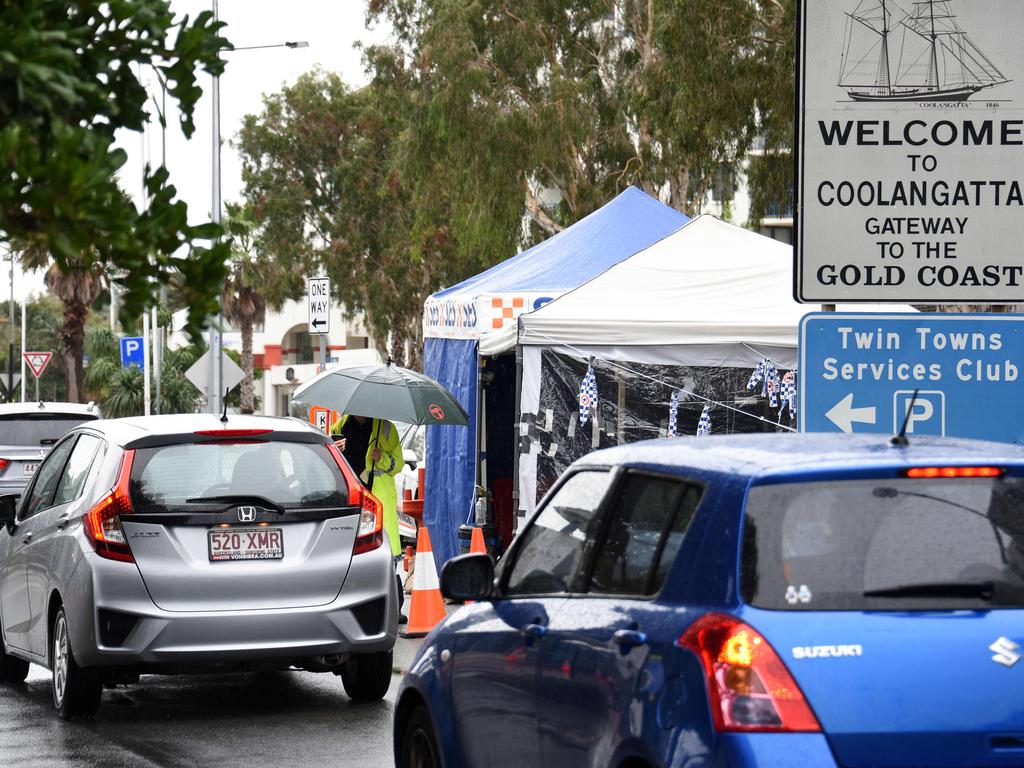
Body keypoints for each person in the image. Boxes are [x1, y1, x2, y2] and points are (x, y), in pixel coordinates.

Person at [331, 413, 408, 623]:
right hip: (351, 500)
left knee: (386, 556)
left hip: (378, 502)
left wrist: (380, 457)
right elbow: (328, 463)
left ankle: (394, 609)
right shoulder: (339, 425)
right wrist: (335, 452)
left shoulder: (386, 428)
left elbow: (398, 465)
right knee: (351, 557)